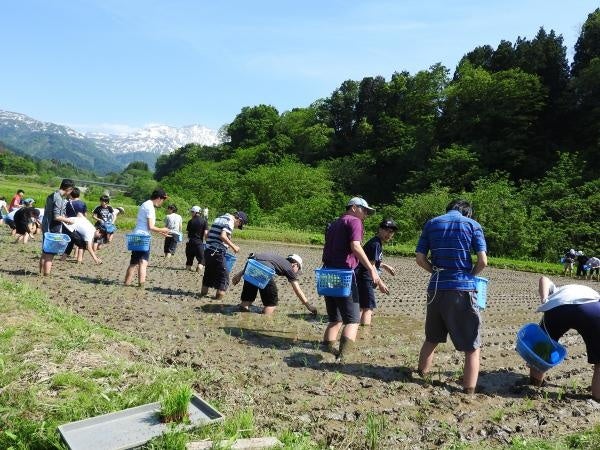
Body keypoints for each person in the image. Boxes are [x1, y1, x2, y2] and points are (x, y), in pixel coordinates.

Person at [415, 199, 488, 395]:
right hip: (462, 288)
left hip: (436, 288)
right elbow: (483, 261)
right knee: (472, 345)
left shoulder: (432, 223)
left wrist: (435, 272)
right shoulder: (473, 225)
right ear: (467, 212)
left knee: (432, 337)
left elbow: (420, 259)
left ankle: (421, 374)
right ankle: (469, 390)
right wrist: (469, 276)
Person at [321, 197, 389, 361]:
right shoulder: (355, 221)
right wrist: (372, 270)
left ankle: (328, 351)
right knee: (352, 320)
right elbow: (356, 246)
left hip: (327, 273)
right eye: (364, 210)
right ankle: (344, 358)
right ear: (353, 207)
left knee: (335, 319)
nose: (366, 214)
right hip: (344, 275)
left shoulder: (334, 223)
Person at [530, 276, 600, 401]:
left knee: (542, 350)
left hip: (558, 309)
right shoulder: (592, 293)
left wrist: (544, 299)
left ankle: (534, 385)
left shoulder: (557, 290)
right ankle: (597, 396)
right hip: (591, 309)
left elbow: (543, 278)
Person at [232, 253, 317, 315]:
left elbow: (256, 262)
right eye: (298, 270)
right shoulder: (289, 268)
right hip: (264, 271)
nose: (296, 273)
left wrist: (239, 274)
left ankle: (243, 312)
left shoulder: (279, 260)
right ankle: (264, 319)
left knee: (247, 298)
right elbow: (297, 290)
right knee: (271, 303)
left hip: (251, 268)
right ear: (295, 265)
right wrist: (308, 306)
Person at [124, 189, 171, 287]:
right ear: (159, 198)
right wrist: (163, 229)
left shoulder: (145, 204)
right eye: (163, 199)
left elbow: (146, 226)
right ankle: (141, 285)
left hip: (137, 235)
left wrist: (161, 232)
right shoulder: (150, 207)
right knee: (143, 262)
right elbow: (150, 227)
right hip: (143, 237)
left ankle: (127, 283)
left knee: (133, 262)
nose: (163, 202)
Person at [355, 218, 398, 326]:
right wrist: (380, 283)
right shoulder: (376, 244)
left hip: (362, 276)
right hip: (365, 278)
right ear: (380, 229)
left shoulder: (376, 242)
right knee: (368, 307)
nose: (389, 234)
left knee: (361, 306)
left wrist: (384, 266)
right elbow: (371, 265)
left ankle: (355, 328)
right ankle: (364, 332)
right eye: (387, 230)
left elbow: (370, 261)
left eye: (391, 232)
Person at [200, 211, 248, 299]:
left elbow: (207, 235)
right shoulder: (230, 221)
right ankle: (218, 300)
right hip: (217, 251)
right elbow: (223, 236)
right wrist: (233, 246)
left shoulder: (219, 218)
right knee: (224, 276)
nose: (237, 227)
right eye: (239, 225)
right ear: (239, 220)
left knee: (208, 274)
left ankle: (203, 295)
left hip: (208, 250)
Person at [39, 179, 75, 276]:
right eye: (71, 190)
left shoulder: (51, 195)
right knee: (50, 254)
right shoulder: (59, 198)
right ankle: (46, 275)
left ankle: (40, 273)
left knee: (45, 251)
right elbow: (56, 217)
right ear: (69, 189)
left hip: (46, 225)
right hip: (52, 227)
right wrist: (68, 220)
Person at [185, 206, 208, 272]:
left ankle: (187, 270)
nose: (191, 213)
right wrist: (206, 241)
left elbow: (187, 233)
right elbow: (206, 233)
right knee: (202, 260)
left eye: (192, 212)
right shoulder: (204, 221)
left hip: (190, 242)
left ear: (195, 212)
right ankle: (198, 269)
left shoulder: (190, 221)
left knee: (189, 260)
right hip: (199, 243)